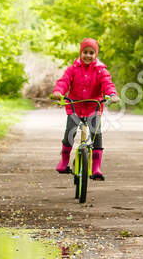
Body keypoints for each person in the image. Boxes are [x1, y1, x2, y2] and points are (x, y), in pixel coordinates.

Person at [49, 38, 117, 180]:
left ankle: (96, 167)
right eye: (85, 52)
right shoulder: (73, 69)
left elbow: (107, 84)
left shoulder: (101, 70)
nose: (88, 55)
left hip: (93, 107)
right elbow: (64, 81)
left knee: (96, 133)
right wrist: (58, 92)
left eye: (91, 53)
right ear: (80, 53)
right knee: (69, 133)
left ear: (96, 55)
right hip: (75, 107)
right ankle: (64, 160)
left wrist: (112, 94)